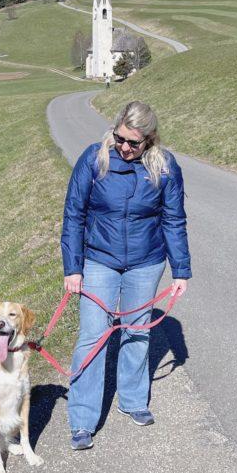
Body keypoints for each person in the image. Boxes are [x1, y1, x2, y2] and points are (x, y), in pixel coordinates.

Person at [61, 100, 191, 451]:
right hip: (99, 260)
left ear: (150, 140)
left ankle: (133, 400)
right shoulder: (94, 158)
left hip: (146, 262)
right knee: (93, 336)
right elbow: (74, 214)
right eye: (121, 138)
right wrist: (73, 268)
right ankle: (83, 419)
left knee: (136, 332)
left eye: (134, 143)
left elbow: (173, 219)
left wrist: (181, 270)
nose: (125, 148)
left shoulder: (165, 166)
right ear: (116, 128)